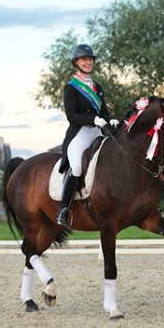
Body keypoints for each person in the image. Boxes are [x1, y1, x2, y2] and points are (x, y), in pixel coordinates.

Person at [56, 44, 119, 229]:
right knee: (76, 167)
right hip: (80, 134)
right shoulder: (71, 88)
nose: (88, 62)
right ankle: (63, 209)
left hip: (97, 133)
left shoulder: (97, 87)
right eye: (84, 59)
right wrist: (93, 119)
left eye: (90, 59)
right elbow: (71, 116)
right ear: (76, 62)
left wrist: (111, 120)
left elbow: (104, 112)